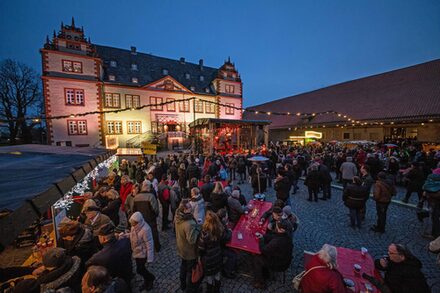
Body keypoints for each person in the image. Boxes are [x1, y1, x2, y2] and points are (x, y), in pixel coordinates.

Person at [86, 223, 133, 288]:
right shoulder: (126, 241)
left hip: (114, 283)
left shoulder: (98, 257)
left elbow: (87, 264)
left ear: (103, 238)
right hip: (127, 274)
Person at [253, 220, 293, 289]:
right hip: (286, 260)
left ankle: (260, 282)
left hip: (279, 264)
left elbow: (263, 250)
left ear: (281, 229)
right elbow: (273, 237)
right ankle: (265, 273)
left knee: (257, 258)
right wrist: (263, 236)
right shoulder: (288, 236)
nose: (276, 226)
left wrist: (261, 239)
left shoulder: (277, 242)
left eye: (277, 225)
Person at [174, 199, 201, 293]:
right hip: (190, 252)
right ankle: (190, 289)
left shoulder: (178, 217)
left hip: (181, 247)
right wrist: (198, 228)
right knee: (190, 271)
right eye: (189, 206)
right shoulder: (189, 224)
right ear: (185, 210)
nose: (192, 207)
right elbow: (192, 240)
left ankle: (182, 284)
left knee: (183, 266)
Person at [197, 210, 228, 292]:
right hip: (217, 256)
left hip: (208, 260)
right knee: (217, 275)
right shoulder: (219, 229)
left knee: (209, 278)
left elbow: (201, 248)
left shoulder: (204, 233)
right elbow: (225, 238)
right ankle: (216, 290)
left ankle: (210, 290)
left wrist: (200, 257)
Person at [128, 212, 155, 291]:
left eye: (134, 223)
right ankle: (147, 281)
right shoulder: (134, 226)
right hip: (136, 252)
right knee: (140, 269)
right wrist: (126, 235)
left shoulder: (146, 229)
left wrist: (150, 258)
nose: (132, 225)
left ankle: (150, 278)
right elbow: (132, 235)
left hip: (143, 253)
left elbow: (149, 243)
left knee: (140, 270)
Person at [133, 181, 161, 252]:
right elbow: (155, 209)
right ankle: (157, 247)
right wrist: (155, 215)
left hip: (140, 219)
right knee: (154, 232)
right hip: (150, 218)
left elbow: (134, 209)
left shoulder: (136, 197)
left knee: (142, 233)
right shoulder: (151, 196)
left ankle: (144, 247)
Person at [422, 168, 440, 238]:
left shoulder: (431, 181)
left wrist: (427, 195)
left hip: (432, 202)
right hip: (434, 202)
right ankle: (433, 232)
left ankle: (431, 232)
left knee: (432, 218)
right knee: (433, 217)